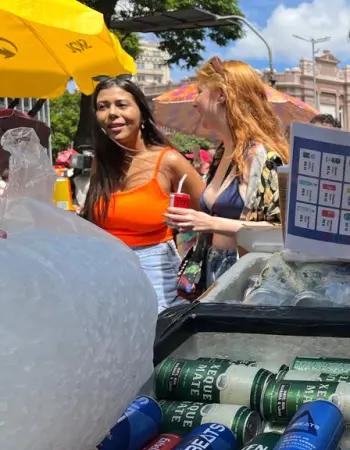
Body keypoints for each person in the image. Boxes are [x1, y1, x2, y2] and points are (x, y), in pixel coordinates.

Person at [82, 76, 206, 311]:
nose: (111, 113)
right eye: (102, 107)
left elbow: (209, 214)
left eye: (122, 105)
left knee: (157, 334)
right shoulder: (102, 163)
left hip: (156, 274)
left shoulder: (169, 160)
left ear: (141, 112)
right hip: (107, 274)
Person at [165, 57, 289, 284]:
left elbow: (280, 230)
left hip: (246, 277)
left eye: (200, 92)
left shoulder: (262, 156)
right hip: (214, 268)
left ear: (221, 95)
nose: (195, 102)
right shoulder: (223, 152)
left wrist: (210, 223)